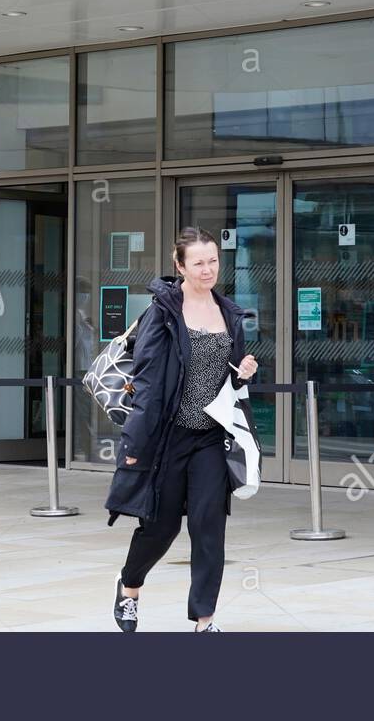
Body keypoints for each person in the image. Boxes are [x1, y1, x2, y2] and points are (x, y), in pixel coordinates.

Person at [105, 228, 258, 633]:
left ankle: (204, 620)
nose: (208, 269)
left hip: (211, 437)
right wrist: (135, 446)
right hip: (168, 437)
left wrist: (242, 374)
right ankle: (129, 585)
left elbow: (229, 378)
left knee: (209, 526)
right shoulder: (163, 313)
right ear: (180, 266)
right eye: (198, 263)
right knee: (162, 526)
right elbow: (149, 383)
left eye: (213, 260)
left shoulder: (229, 312)